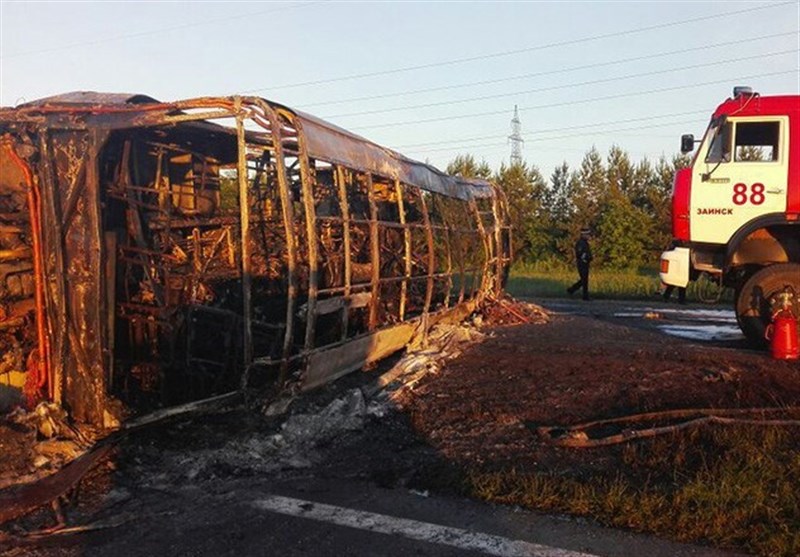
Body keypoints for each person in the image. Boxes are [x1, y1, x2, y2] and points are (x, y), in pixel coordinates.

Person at [567, 227, 593, 301]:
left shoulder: (585, 243)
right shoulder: (580, 243)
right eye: (588, 235)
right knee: (584, 280)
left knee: (584, 280)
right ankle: (584, 295)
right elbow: (579, 253)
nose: (589, 236)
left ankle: (572, 290)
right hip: (582, 263)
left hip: (585, 263)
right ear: (583, 235)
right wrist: (586, 258)